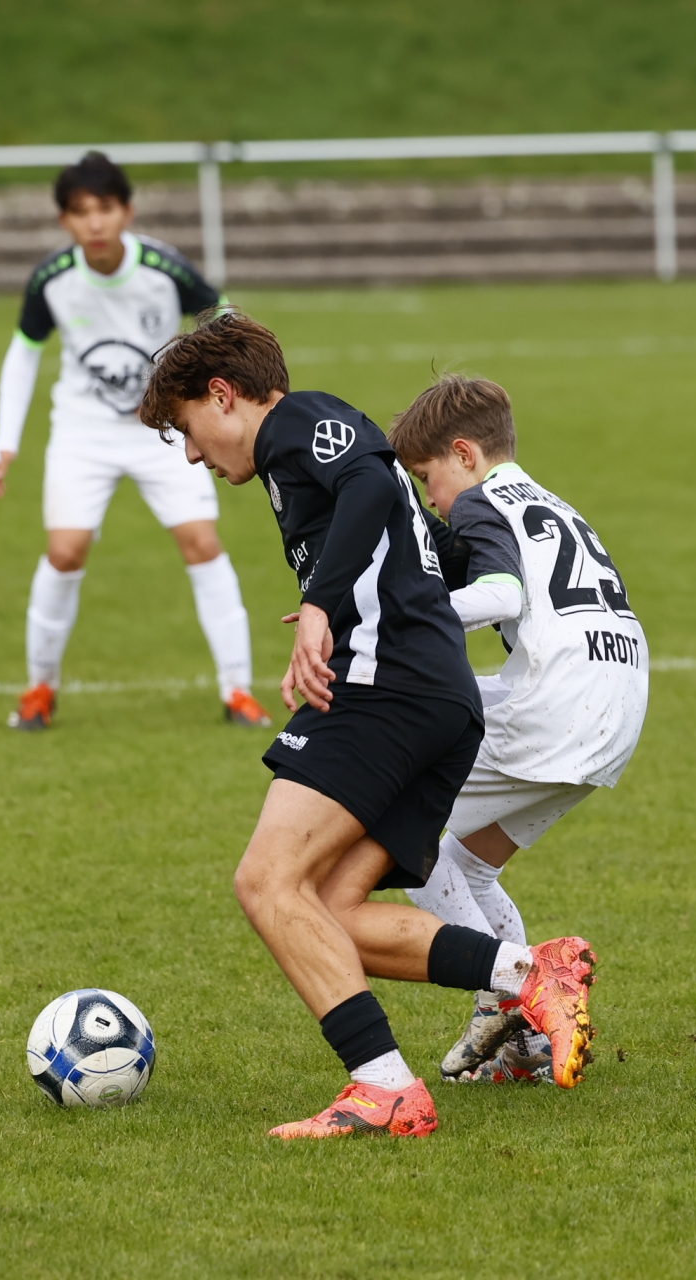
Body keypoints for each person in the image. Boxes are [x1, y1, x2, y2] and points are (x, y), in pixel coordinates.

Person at [139, 311, 596, 1140]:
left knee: (267, 881)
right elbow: (419, 538)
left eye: (186, 428)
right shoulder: (296, 461)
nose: (193, 455)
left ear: (224, 394)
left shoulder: (298, 422)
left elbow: (370, 481)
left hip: (386, 692)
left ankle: (383, 1086)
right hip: (435, 698)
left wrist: (322, 606)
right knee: (329, 909)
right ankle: (531, 972)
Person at [388, 375, 648, 1085]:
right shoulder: (545, 501)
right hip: (617, 706)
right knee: (468, 864)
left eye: (429, 479)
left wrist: (404, 619)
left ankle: (514, 989)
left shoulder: (480, 502)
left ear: (464, 455)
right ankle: (526, 1042)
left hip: (556, 709)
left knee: (398, 833)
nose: (434, 500)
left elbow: (501, 595)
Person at [0, 151, 270, 731]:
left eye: (106, 208)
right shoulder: (51, 279)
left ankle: (238, 690)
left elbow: (224, 319)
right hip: (82, 432)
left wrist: (221, 394)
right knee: (65, 552)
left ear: (128, 211)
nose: (95, 223)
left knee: (201, 542)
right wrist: (4, 441)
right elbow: (24, 351)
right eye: (81, 211)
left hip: (161, 432)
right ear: (64, 219)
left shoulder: (164, 267)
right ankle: (39, 688)